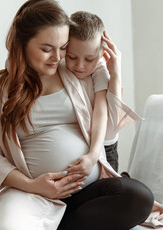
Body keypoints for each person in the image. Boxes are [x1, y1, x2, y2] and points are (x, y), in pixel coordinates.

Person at [0, 0, 163, 230]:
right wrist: (33, 185)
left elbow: (109, 128)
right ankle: (26, 218)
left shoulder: (77, 72)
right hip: (31, 192)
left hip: (86, 190)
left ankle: (52, 223)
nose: (57, 58)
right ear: (21, 44)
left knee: (139, 198)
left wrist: (115, 72)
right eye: (47, 49)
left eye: (63, 47)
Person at [65, 11, 121, 172]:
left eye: (89, 59)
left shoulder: (100, 70)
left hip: (105, 145)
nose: (80, 65)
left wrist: (94, 153)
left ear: (101, 53)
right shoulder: (60, 67)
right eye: (72, 57)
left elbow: (101, 111)